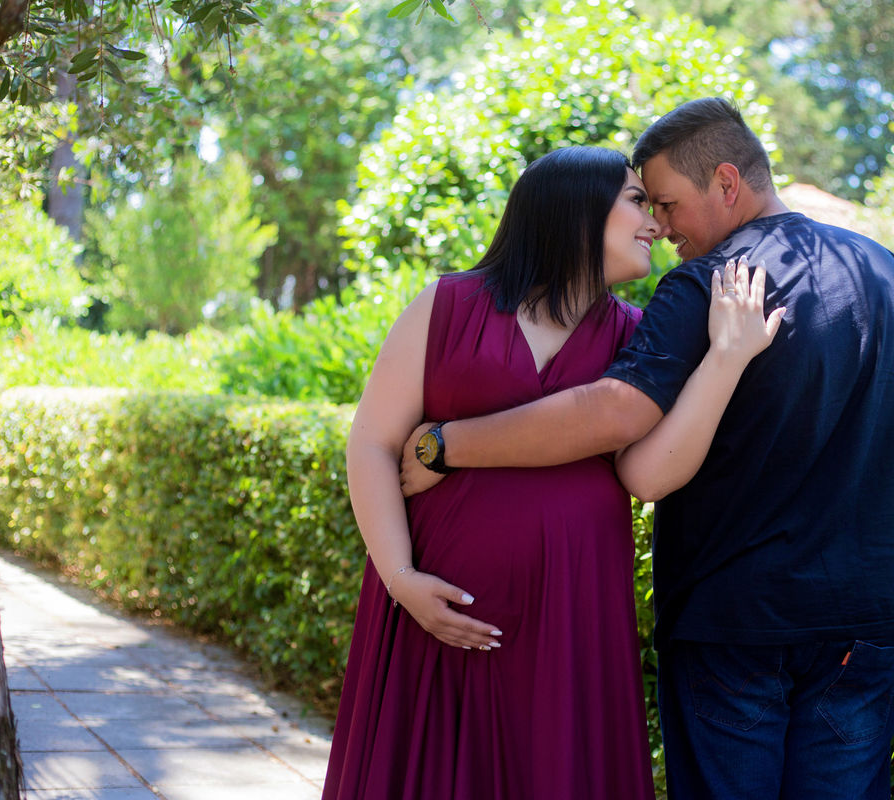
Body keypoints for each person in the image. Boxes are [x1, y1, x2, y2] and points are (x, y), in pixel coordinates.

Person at [399, 98, 894, 799]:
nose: (662, 224)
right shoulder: (891, 273)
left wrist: (446, 443)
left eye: (668, 202)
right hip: (870, 613)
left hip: (738, 616)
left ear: (725, 183)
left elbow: (616, 414)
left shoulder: (712, 282)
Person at [323, 145, 784, 800]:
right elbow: (371, 442)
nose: (654, 221)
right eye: (635, 202)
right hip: (433, 611)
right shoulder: (447, 305)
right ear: (573, 208)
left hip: (571, 621)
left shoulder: (638, 338)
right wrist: (402, 580)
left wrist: (725, 360)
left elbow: (651, 473)